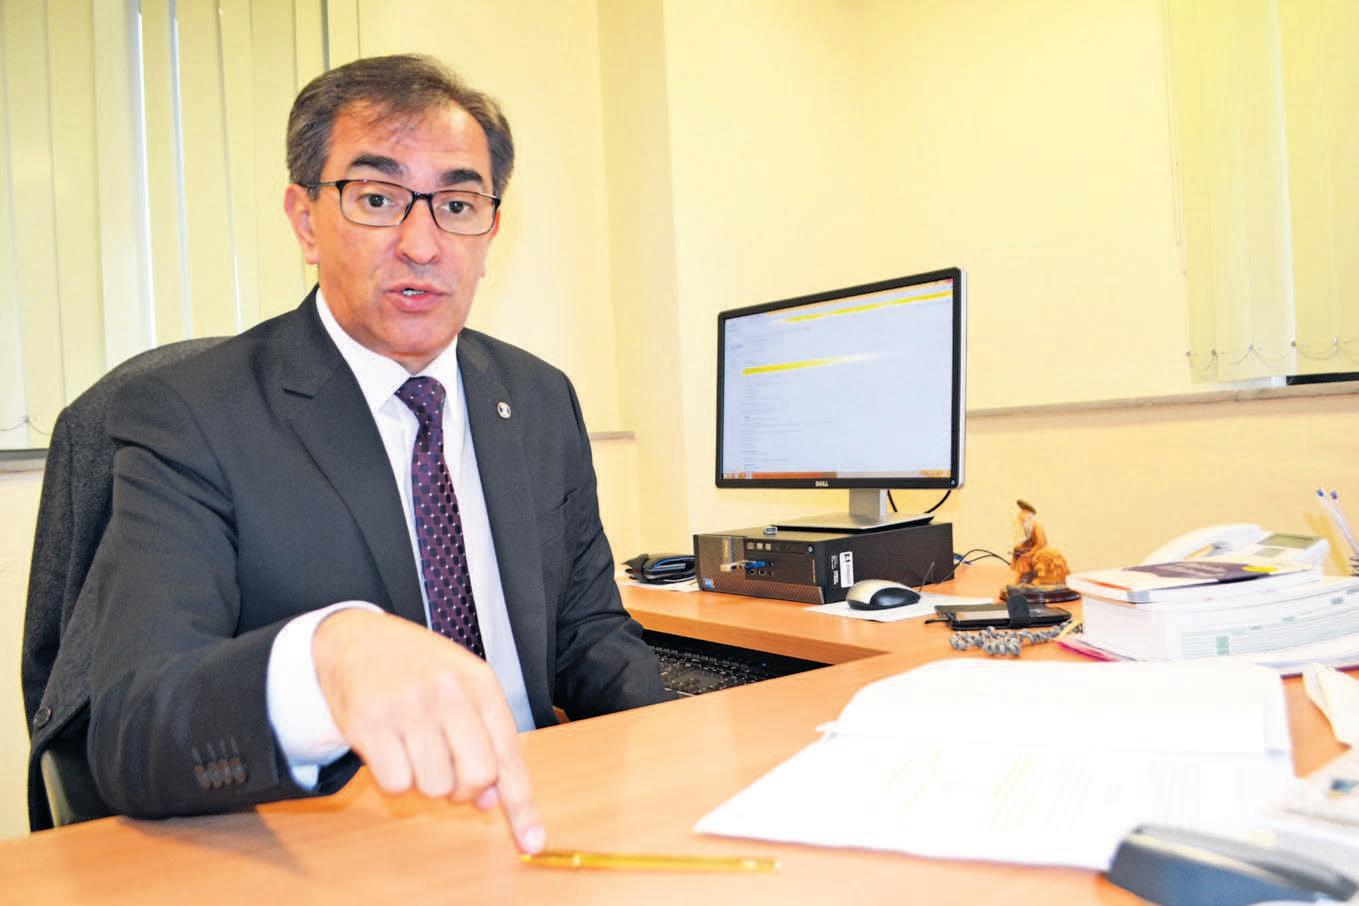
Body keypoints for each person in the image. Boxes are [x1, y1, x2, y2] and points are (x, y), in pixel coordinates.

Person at [71, 54, 671, 851]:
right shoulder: (192, 414)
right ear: (304, 220)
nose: (422, 244)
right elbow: (134, 727)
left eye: (457, 205)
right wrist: (323, 659)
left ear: (490, 230)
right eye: (378, 199)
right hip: (345, 841)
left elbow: (587, 631)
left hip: (542, 817)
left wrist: (677, 761)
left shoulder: (536, 395)